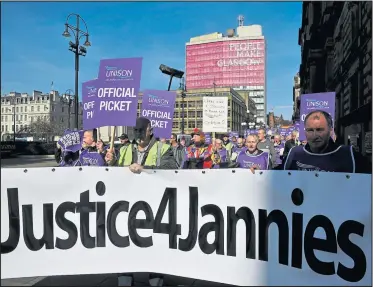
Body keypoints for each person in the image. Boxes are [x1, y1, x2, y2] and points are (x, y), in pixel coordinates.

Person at [284, 110, 372, 173]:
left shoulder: (349, 154)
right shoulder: (294, 154)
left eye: (320, 130)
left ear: (330, 130)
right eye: (310, 130)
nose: (315, 135)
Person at [106, 117, 178, 171]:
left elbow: (170, 170)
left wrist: (144, 169)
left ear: (151, 131)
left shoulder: (163, 148)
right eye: (136, 131)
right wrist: (113, 162)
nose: (139, 135)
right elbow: (118, 172)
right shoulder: (124, 150)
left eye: (142, 131)